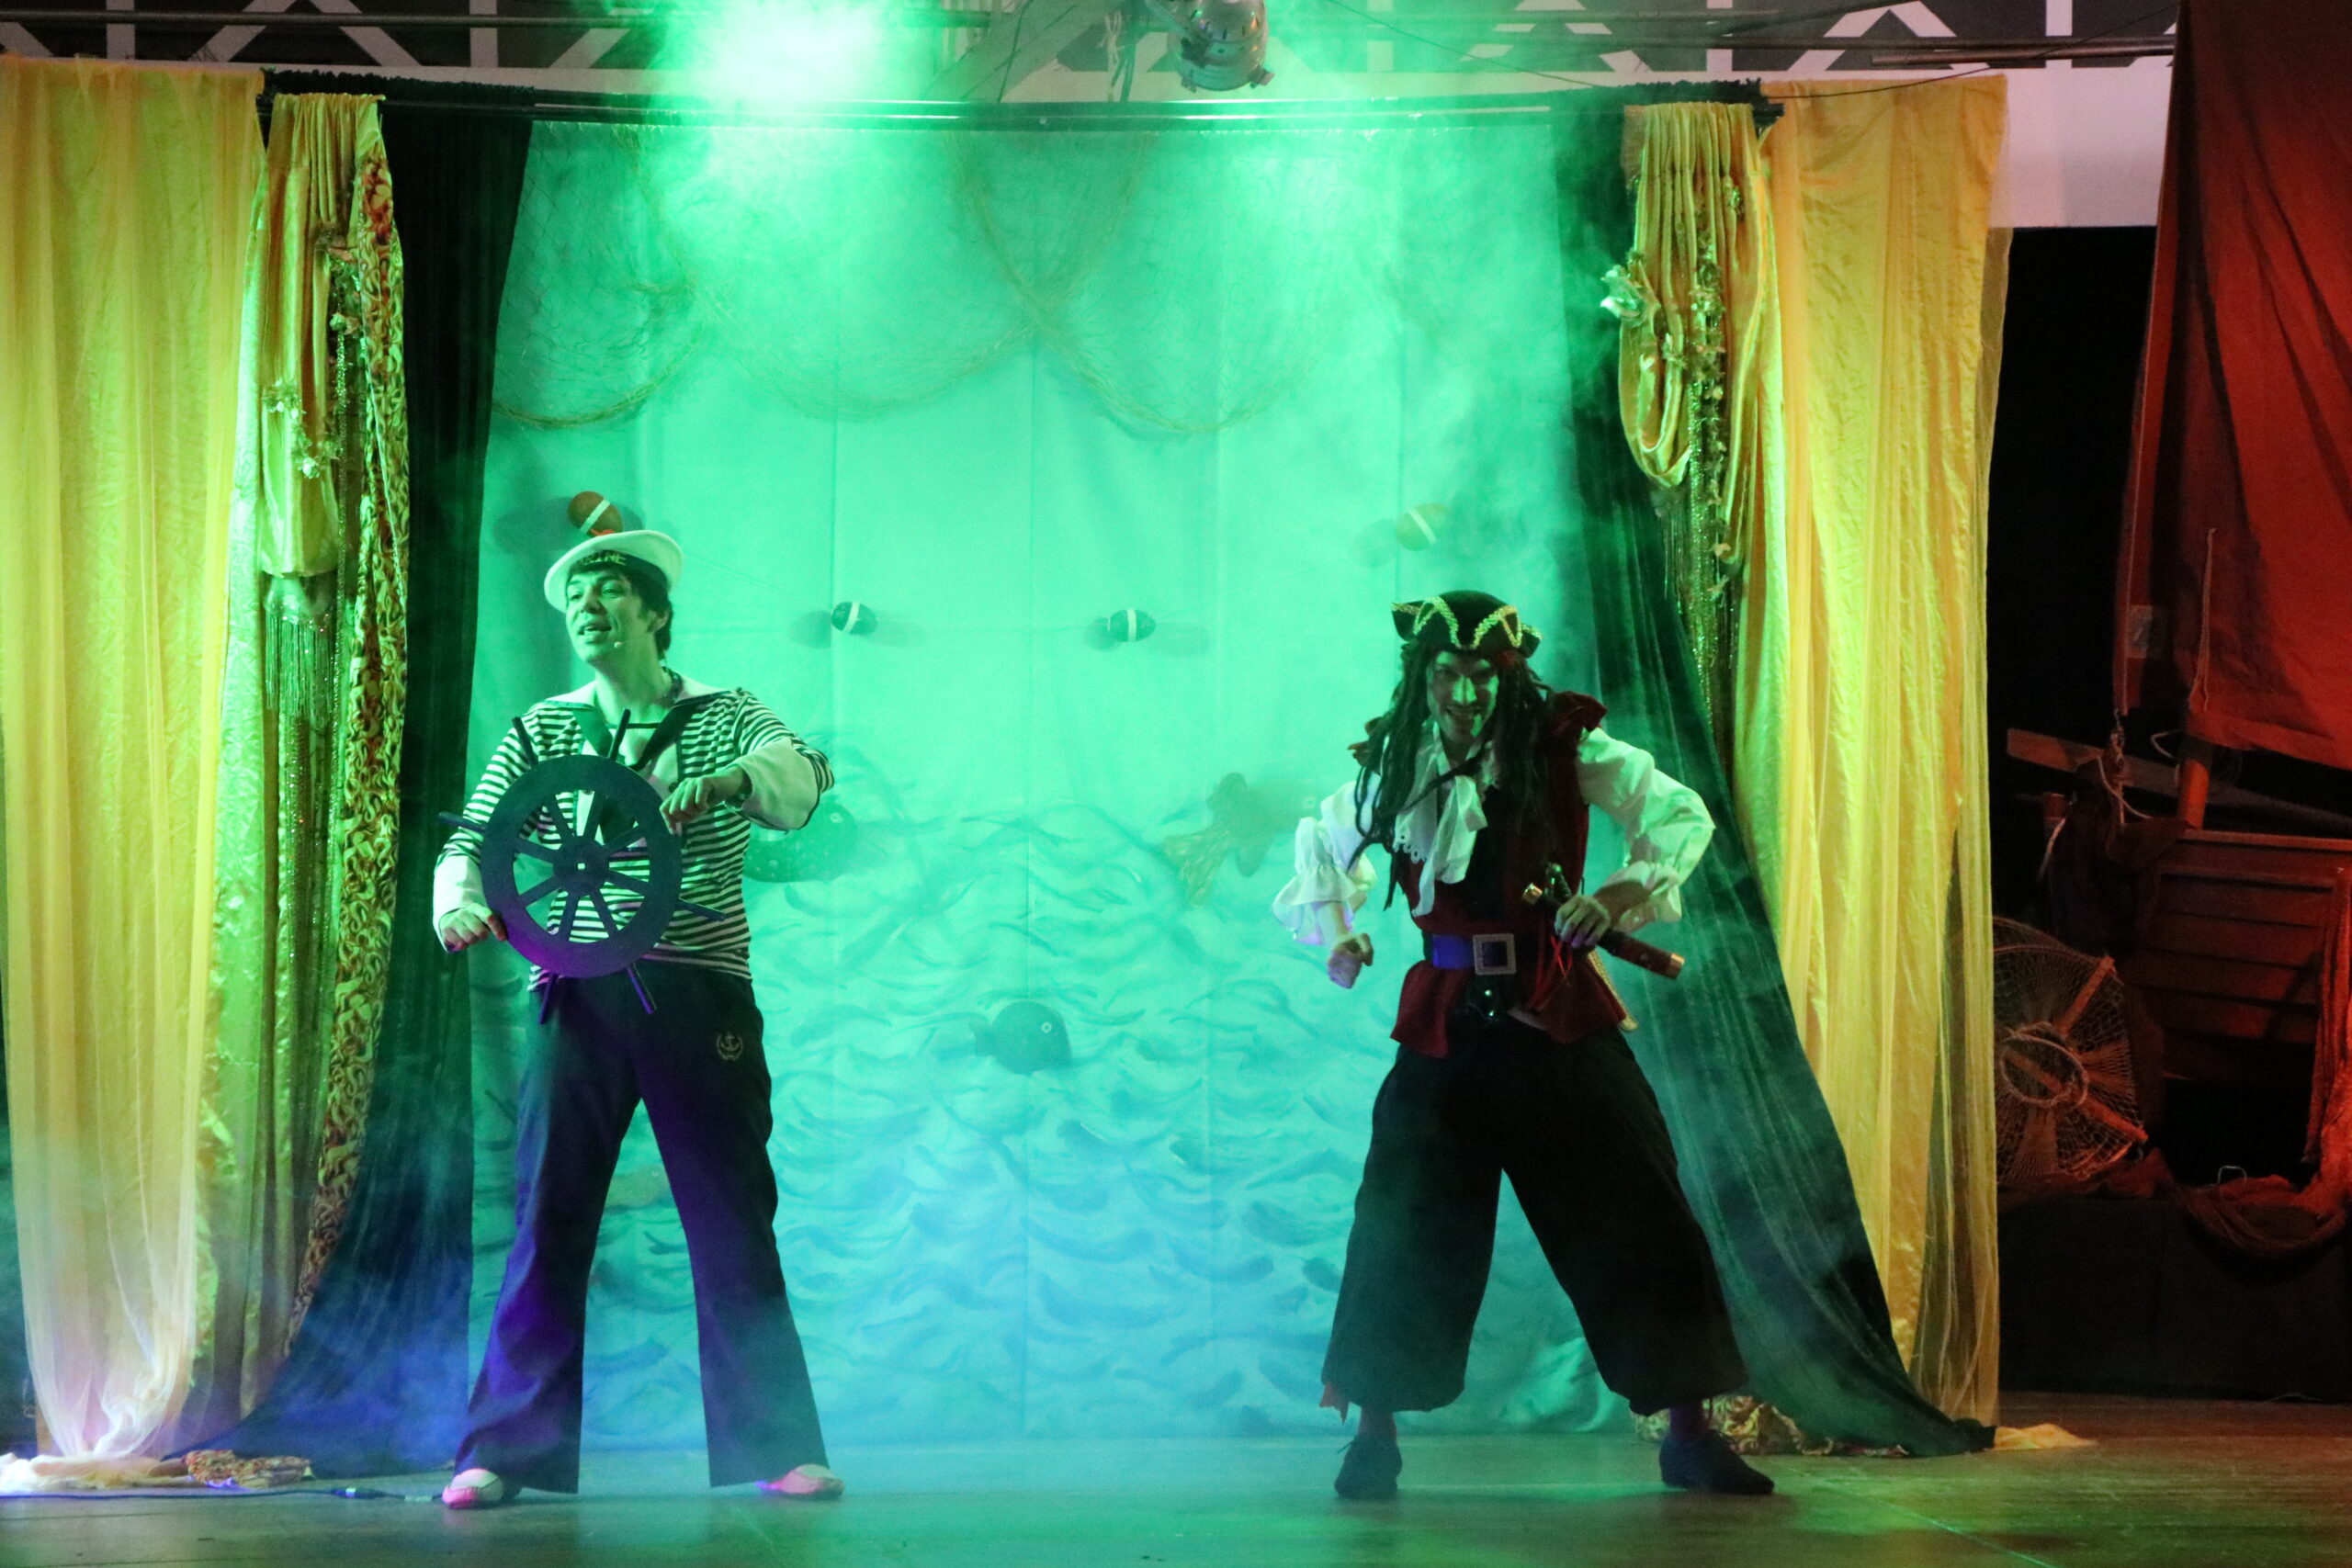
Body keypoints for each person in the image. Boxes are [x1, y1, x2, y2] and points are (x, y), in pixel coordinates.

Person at [1272, 591, 1772, 1501]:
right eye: (1447, 674)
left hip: (1556, 1017)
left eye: (1482, 675)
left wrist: (1612, 898)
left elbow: (1678, 815)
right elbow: (1320, 849)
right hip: (1444, 1026)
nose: (1465, 694)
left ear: (1508, 676)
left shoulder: (1564, 746)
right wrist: (1338, 935)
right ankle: (1374, 1437)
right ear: (1421, 677)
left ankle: (1689, 1435)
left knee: (1643, 1215)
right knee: (1399, 1226)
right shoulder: (1396, 760)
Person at [433, 529, 840, 1508]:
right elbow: (478, 836)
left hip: (699, 988)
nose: (588, 606)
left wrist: (735, 780)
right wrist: (459, 903)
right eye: (576, 594)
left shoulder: (725, 713)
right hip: (577, 993)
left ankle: (779, 1444)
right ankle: (504, 1450)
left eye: (609, 588)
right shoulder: (545, 729)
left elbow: (806, 777)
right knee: (547, 1217)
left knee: (731, 1215)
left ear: (655, 612)